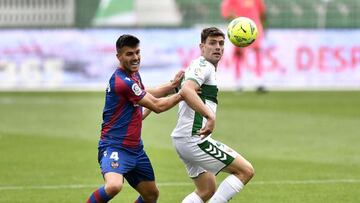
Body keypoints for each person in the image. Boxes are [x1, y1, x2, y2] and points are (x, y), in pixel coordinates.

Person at [86, 34, 184, 203]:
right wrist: (183, 94)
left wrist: (172, 87)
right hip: (114, 147)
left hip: (135, 150)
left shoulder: (133, 75)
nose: (136, 57)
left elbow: (147, 94)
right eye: (129, 54)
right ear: (119, 57)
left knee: (151, 195)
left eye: (137, 52)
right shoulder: (122, 81)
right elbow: (157, 106)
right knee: (114, 186)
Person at [170, 27, 254, 203]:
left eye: (221, 44)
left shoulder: (199, 66)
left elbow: (182, 88)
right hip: (194, 139)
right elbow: (187, 90)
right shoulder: (204, 66)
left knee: (206, 189)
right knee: (245, 171)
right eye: (212, 43)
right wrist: (210, 116)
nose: (218, 47)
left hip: (183, 139)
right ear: (202, 47)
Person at [221, 0, 267, 92]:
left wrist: (263, 26)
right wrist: (236, 18)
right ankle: (238, 82)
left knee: (257, 52)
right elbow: (225, 13)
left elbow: (262, 13)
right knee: (238, 54)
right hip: (239, 29)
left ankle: (259, 81)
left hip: (254, 28)